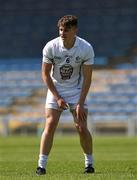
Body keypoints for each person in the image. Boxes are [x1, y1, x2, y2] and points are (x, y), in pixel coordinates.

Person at [36, 15, 95, 175]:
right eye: (61, 29)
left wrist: (80, 104)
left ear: (75, 30)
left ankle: (89, 164)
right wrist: (57, 97)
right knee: (50, 124)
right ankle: (41, 166)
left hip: (76, 90)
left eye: (66, 30)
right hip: (56, 89)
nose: (62, 33)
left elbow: (88, 78)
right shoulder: (51, 47)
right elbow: (46, 75)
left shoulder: (86, 48)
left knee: (81, 127)